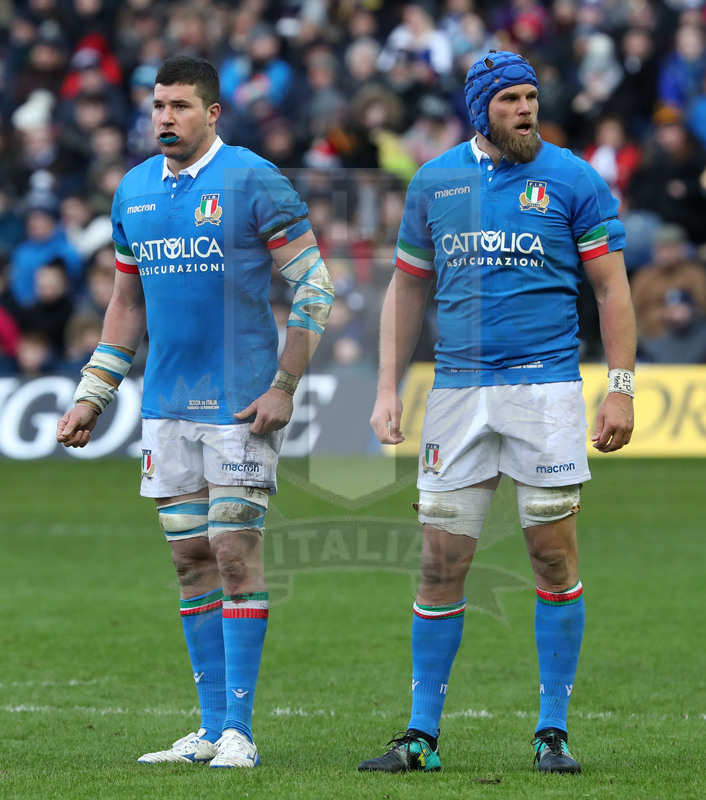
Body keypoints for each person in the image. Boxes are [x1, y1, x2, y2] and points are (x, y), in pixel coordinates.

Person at [360, 50, 635, 775]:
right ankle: (421, 736)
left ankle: (553, 731)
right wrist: (387, 386)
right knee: (440, 561)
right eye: (510, 98)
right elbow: (407, 289)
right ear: (479, 107)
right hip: (454, 393)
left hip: (543, 391)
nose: (526, 109)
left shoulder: (572, 178)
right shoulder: (435, 181)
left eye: (531, 97)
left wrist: (621, 385)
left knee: (551, 554)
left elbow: (611, 290)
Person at [56, 56, 334, 769]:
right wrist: (95, 391)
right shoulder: (135, 191)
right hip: (167, 406)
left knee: (234, 553)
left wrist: (285, 385)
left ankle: (239, 730)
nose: (164, 118)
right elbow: (125, 304)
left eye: (180, 106)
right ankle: (210, 728)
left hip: (240, 405)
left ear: (213, 113)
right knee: (189, 561)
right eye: (157, 106)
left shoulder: (251, 178)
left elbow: (314, 287)